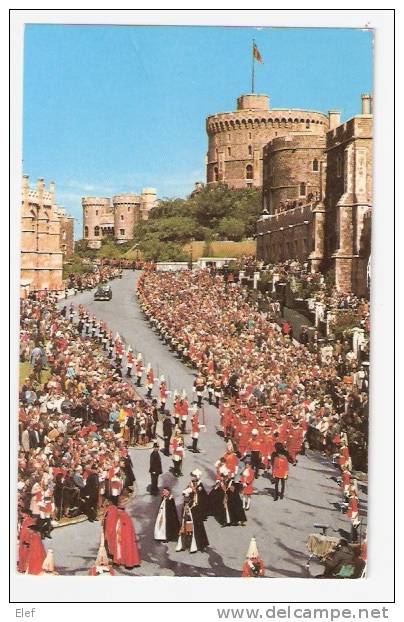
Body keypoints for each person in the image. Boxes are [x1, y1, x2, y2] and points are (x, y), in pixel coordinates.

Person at [176, 488, 209, 553]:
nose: (185, 499)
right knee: (183, 533)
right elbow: (183, 513)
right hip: (185, 521)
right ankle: (183, 545)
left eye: (187, 497)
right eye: (185, 498)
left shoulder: (193, 505)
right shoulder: (184, 504)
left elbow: (196, 515)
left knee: (192, 533)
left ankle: (193, 546)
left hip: (192, 522)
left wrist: (190, 514)